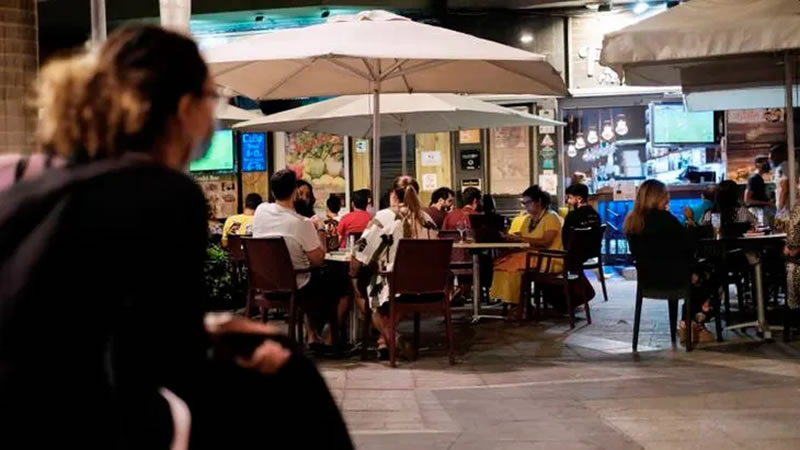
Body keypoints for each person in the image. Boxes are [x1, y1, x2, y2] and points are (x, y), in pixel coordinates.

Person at [0, 25, 351, 450]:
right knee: (291, 375)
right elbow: (171, 357)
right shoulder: (161, 191)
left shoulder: (34, 186)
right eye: (211, 97)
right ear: (185, 108)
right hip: (85, 415)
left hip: (23, 404)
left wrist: (207, 329)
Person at [253, 170, 349, 348]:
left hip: (264, 283)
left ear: (272, 191)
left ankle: (312, 334)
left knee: (321, 281)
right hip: (296, 285)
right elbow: (318, 260)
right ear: (295, 192)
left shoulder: (260, 211)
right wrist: (320, 230)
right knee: (341, 283)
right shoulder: (301, 223)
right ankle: (331, 338)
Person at [624, 180, 715, 344]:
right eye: (666, 194)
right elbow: (689, 246)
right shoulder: (666, 219)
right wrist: (690, 222)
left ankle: (688, 322)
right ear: (658, 197)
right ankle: (692, 322)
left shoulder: (633, 221)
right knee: (713, 271)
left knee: (698, 273)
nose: (668, 198)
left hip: (649, 280)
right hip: (676, 278)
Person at [357, 176, 436, 359]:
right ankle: (383, 342)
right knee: (389, 290)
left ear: (393, 194)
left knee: (360, 287)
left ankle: (393, 337)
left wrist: (355, 269)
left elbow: (362, 251)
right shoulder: (427, 219)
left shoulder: (384, 216)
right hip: (428, 286)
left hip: (396, 285)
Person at [490, 186, 563, 311]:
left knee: (511, 269)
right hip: (532, 256)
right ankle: (512, 302)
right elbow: (523, 237)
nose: (525, 207)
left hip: (549, 258)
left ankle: (518, 305)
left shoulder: (551, 217)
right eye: (524, 203)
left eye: (528, 203)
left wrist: (521, 239)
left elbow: (545, 242)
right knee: (501, 264)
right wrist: (510, 237)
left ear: (539, 201)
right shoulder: (528, 219)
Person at [562, 183, 601, 247]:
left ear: (580, 199)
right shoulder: (596, 215)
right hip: (593, 252)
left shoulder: (571, 216)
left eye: (570, 198)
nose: (568, 201)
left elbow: (565, 243)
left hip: (575, 252)